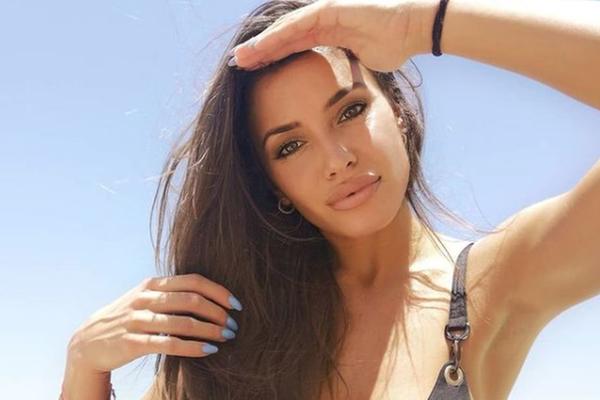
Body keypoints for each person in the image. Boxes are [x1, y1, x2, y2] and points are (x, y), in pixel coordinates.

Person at [60, 0, 600, 399]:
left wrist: (420, 23)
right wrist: (84, 366)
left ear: (398, 111)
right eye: (291, 146)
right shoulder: (245, 328)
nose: (336, 159)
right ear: (273, 184)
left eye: (350, 111)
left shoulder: (495, 280)